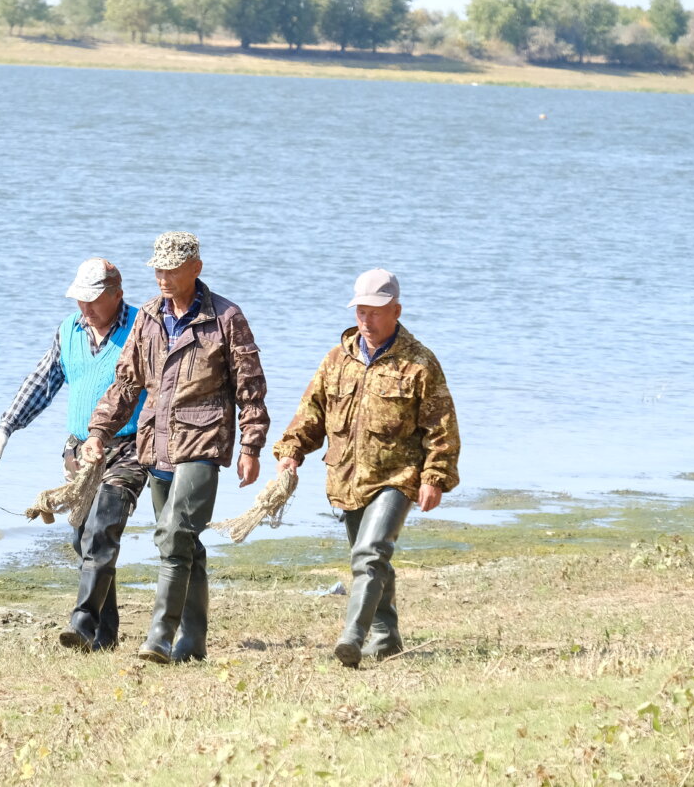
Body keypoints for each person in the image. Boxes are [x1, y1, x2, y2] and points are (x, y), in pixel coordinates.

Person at [82, 231, 270, 664]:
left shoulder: (226, 317)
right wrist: (98, 433)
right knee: (184, 545)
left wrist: (252, 445)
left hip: (204, 442)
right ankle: (193, 642)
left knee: (173, 534)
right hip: (157, 442)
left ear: (195, 268)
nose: (163, 278)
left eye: (171, 270)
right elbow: (126, 384)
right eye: (158, 270)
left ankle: (160, 637)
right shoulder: (148, 316)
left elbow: (250, 388)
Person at [272, 268, 461, 667]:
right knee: (371, 560)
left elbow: (441, 427)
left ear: (396, 311)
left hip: (398, 477)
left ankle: (352, 638)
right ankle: (386, 637)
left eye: (375, 312)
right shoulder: (336, 359)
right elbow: (312, 413)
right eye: (361, 311)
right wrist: (292, 451)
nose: (366, 320)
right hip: (346, 477)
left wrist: (434, 477)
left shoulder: (419, 363)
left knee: (370, 553)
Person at [0, 258, 148, 652]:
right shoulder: (69, 330)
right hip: (79, 452)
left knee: (102, 530)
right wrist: (5, 429)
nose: (84, 307)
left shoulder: (142, 328)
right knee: (82, 539)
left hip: (129, 448)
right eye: (80, 298)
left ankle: (81, 624)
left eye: (93, 299)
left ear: (117, 294)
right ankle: (105, 636)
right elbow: (41, 382)